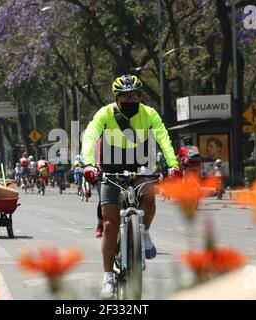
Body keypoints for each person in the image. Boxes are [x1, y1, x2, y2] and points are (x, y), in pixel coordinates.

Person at [81, 74, 180, 299]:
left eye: (134, 96)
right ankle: (107, 277)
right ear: (117, 98)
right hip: (111, 169)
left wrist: (173, 164)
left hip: (141, 166)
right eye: (124, 97)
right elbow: (90, 136)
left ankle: (144, 233)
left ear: (140, 96)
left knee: (149, 198)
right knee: (109, 224)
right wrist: (87, 163)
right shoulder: (105, 114)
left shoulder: (150, 114)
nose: (129, 100)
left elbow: (163, 137)